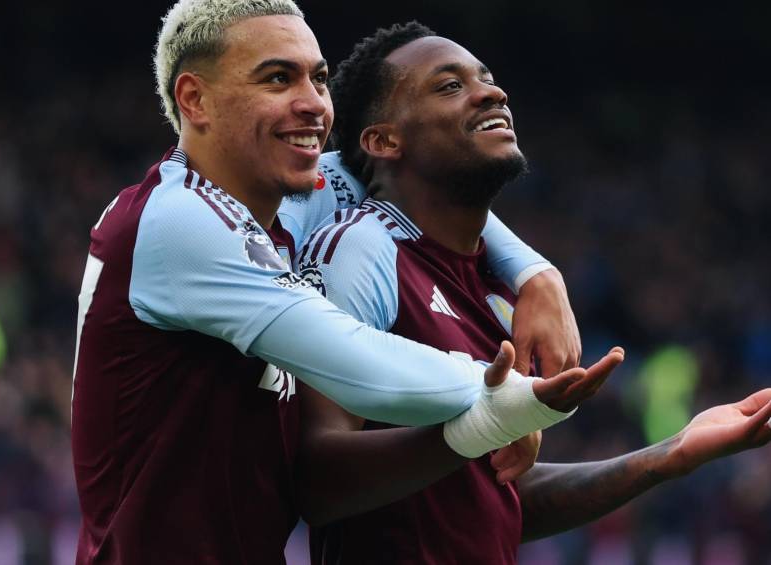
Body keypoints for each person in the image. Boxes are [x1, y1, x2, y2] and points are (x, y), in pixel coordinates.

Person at [70, 2, 611, 563]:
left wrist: (537, 276)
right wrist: (505, 399)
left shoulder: (290, 196)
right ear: (194, 99)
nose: (313, 104)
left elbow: (433, 174)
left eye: (319, 78)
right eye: (278, 78)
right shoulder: (176, 221)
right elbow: (356, 365)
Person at [295, 22, 771, 564]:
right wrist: (483, 427)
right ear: (383, 141)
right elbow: (314, 482)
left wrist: (671, 455)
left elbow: (488, 496)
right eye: (449, 86)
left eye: (488, 79)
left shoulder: (502, 288)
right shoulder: (359, 249)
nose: (492, 92)